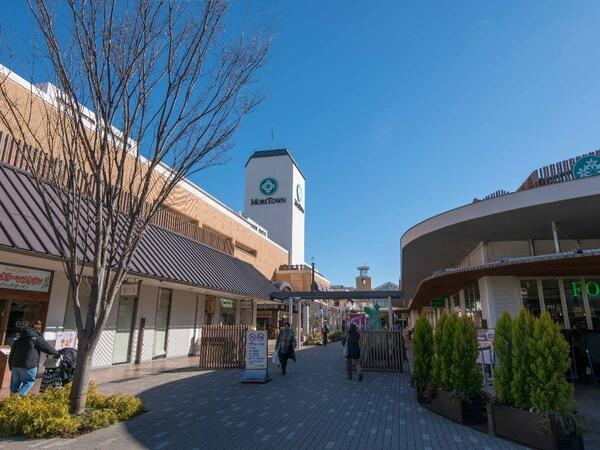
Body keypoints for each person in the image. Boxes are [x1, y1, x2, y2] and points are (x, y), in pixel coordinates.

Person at [8, 320, 60, 396]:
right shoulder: (35, 338)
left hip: (15, 365)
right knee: (29, 381)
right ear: (39, 329)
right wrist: (57, 354)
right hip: (29, 365)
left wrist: (10, 365)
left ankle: (11, 401)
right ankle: (18, 398)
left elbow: (12, 353)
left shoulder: (19, 339)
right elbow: (47, 348)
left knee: (15, 384)